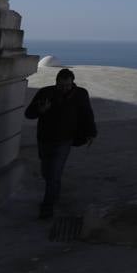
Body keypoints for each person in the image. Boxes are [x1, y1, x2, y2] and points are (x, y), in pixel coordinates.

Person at [23, 67, 97, 219]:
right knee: (46, 171)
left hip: (65, 140)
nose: (64, 89)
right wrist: (41, 110)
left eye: (68, 85)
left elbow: (87, 114)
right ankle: (54, 195)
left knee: (54, 173)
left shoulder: (80, 94)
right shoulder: (45, 92)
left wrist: (91, 133)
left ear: (72, 83)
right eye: (61, 85)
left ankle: (47, 205)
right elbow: (29, 114)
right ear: (56, 82)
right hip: (45, 139)